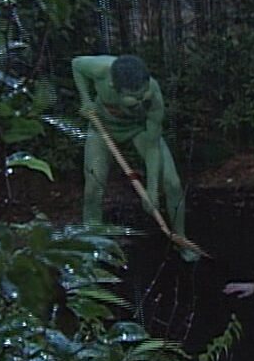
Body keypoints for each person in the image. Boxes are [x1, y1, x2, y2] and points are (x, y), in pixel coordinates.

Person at [72, 54, 197, 261]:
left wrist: (151, 190)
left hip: (138, 129)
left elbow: (153, 145)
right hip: (102, 128)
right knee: (94, 187)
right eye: (133, 99)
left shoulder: (154, 96)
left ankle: (180, 239)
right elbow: (76, 64)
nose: (140, 103)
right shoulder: (101, 69)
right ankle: (92, 245)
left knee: (173, 183)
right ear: (113, 87)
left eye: (143, 95)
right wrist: (85, 100)